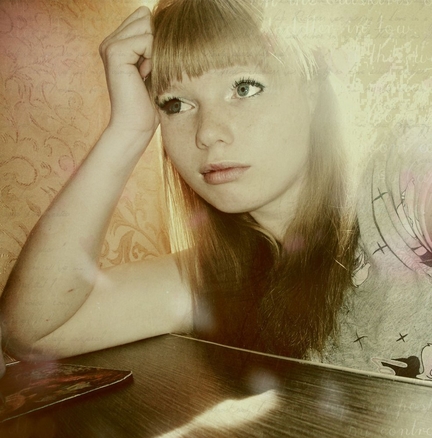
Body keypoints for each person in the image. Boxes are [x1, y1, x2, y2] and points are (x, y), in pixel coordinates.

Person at [0, 0, 431, 380]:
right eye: (176, 104)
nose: (206, 133)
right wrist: (127, 130)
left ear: (313, 90)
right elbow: (30, 333)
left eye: (244, 87)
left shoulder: (401, 185)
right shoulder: (213, 279)